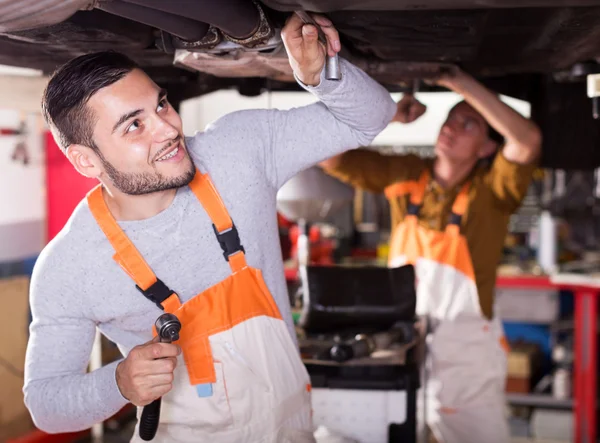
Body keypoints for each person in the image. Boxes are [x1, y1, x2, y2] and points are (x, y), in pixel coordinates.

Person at [23, 13, 396, 443]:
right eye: (134, 125)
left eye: (160, 104)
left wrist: (321, 75)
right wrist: (119, 383)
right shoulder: (70, 266)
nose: (168, 128)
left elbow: (372, 115)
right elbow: (46, 406)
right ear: (86, 161)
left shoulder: (237, 152)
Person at [321, 70, 541, 443]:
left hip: (465, 358)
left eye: (468, 124)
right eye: (451, 119)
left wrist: (458, 82)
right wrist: (386, 113)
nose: (451, 128)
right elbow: (327, 153)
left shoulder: (492, 193)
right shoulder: (405, 173)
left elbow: (527, 139)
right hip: (399, 346)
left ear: (487, 148)